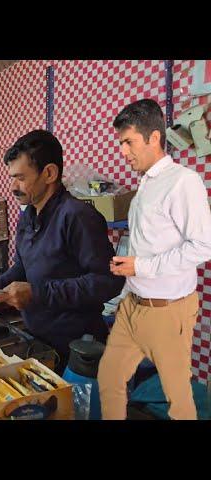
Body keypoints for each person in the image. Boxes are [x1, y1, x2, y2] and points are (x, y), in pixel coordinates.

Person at [0, 130, 125, 372]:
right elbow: (22, 269)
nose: (13, 187)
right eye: (11, 178)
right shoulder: (28, 215)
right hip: (38, 340)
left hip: (78, 350)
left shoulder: (78, 216)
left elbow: (109, 281)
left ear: (49, 173)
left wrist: (39, 293)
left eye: (20, 178)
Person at [98, 98, 211, 420]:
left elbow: (204, 245)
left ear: (154, 138)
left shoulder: (183, 181)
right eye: (121, 142)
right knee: (110, 379)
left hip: (168, 310)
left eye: (128, 142)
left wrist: (142, 267)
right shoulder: (145, 185)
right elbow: (146, 247)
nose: (123, 151)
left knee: (177, 396)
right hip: (135, 304)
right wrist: (128, 286)